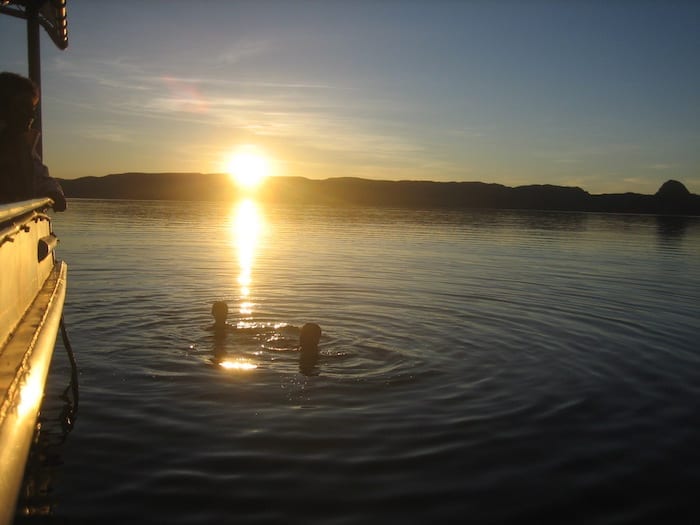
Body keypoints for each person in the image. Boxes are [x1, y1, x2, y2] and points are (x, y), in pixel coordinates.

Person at [0, 71, 66, 211]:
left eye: (33, 108)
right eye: (24, 107)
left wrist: (53, 192)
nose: (32, 115)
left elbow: (40, 178)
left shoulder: (25, 148)